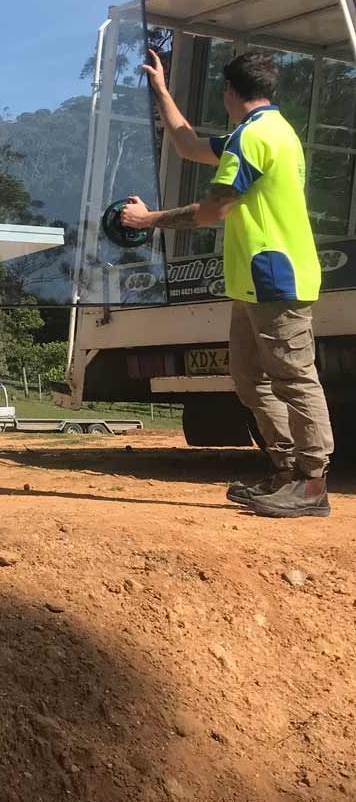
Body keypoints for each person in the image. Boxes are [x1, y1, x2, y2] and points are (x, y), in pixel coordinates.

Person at [120, 49, 332, 518]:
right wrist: (161, 90)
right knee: (250, 379)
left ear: (229, 93)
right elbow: (189, 145)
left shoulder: (253, 139)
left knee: (294, 379)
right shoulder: (265, 131)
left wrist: (148, 219)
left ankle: (312, 483)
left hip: (275, 276)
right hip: (256, 281)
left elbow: (212, 210)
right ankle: (289, 471)